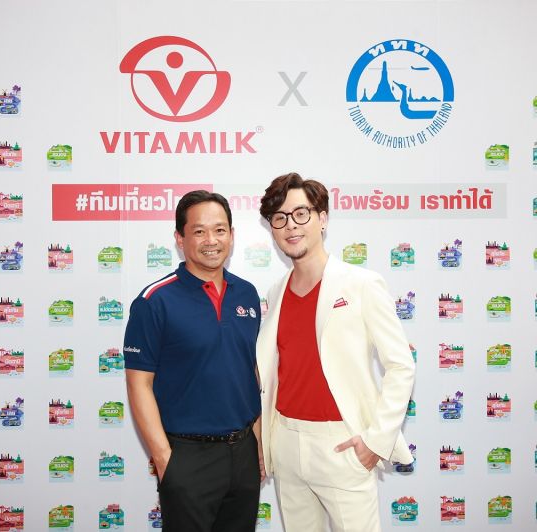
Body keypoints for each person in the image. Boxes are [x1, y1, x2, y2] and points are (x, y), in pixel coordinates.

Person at [256, 172, 415, 532]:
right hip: (287, 443)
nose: (290, 225)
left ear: (322, 218)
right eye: (279, 218)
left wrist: (376, 441)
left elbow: (401, 366)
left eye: (301, 213)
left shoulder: (362, 284)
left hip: (341, 444)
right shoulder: (275, 292)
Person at [124, 190, 262, 532]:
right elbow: (139, 384)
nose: (211, 240)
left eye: (220, 230)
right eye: (199, 231)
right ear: (180, 238)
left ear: (232, 235)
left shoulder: (247, 294)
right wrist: (165, 459)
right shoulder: (154, 301)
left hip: (243, 453)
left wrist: (258, 443)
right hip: (187, 457)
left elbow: (250, 372)